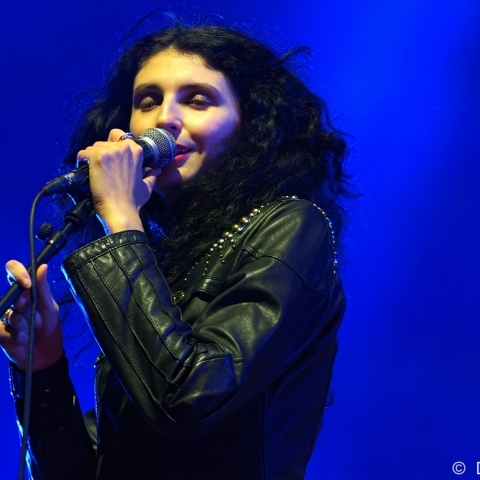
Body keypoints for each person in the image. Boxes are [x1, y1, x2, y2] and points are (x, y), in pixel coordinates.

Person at [1, 20, 351, 480]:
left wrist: (121, 220)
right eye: (148, 101)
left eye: (198, 99)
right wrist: (42, 367)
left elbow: (190, 398)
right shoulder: (164, 260)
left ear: (250, 123)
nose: (164, 118)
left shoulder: (292, 225)